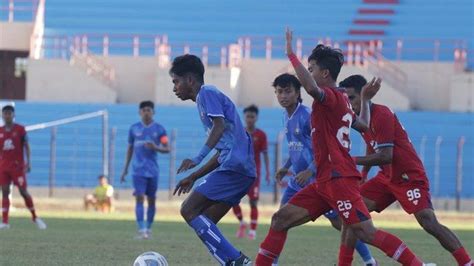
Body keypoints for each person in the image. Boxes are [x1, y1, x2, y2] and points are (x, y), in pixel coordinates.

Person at [255, 28, 432, 266]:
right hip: (324, 181)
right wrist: (366, 101)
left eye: (311, 69)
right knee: (280, 219)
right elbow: (364, 125)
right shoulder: (342, 102)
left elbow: (310, 89)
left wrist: (290, 55)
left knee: (366, 232)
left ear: (324, 73)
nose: (308, 73)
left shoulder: (330, 97)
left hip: (339, 180)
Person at [342, 74, 473, 266]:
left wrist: (350, 160)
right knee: (352, 214)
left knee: (428, 222)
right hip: (386, 177)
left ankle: (467, 262)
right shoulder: (361, 120)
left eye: (351, 98)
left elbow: (386, 155)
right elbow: (372, 145)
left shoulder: (382, 114)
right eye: (346, 99)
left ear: (364, 95)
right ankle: (346, 263)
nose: (349, 103)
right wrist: (363, 174)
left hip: (407, 175)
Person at [267, 73, 375, 265]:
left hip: (318, 179)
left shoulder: (307, 115)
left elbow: (322, 146)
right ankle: (271, 262)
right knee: (279, 219)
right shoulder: (286, 116)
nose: (283, 96)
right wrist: (285, 167)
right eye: (279, 92)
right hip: (297, 182)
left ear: (298, 92)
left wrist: (310, 170)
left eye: (287, 91)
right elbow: (297, 147)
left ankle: (369, 260)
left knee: (341, 223)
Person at [171, 54, 254, 265]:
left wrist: (197, 159)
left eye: (176, 81)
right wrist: (194, 176)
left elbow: (219, 127)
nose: (174, 88)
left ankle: (236, 260)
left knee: (188, 209)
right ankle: (231, 261)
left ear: (190, 80)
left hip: (235, 166)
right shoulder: (203, 100)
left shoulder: (206, 93)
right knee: (204, 219)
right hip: (238, 167)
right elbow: (222, 150)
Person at [120, 101, 170, 239]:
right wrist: (125, 169)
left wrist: (156, 147)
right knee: (139, 198)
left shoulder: (160, 129)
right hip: (138, 171)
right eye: (144, 110)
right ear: (139, 112)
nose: (146, 112)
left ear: (153, 112)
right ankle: (142, 230)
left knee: (152, 200)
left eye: (149, 110)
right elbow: (130, 149)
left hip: (153, 171)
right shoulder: (134, 129)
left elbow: (167, 148)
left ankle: (148, 228)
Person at [0, 104, 46, 230]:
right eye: (5, 113)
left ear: (13, 115)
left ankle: (35, 217)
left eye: (10, 113)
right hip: (4, 167)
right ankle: (5, 222)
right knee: (4, 192)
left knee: (23, 191)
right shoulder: (0, 131)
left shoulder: (20, 130)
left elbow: (27, 146)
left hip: (17, 166)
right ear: (2, 115)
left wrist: (29, 162)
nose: (7, 116)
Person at [232, 104, 270, 240]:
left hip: (254, 174)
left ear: (256, 118)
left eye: (252, 117)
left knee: (253, 202)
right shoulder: (240, 133)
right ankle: (242, 222)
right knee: (233, 200)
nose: (249, 119)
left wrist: (267, 172)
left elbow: (265, 154)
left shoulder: (261, 135)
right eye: (247, 116)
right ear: (244, 117)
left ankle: (252, 231)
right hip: (239, 173)